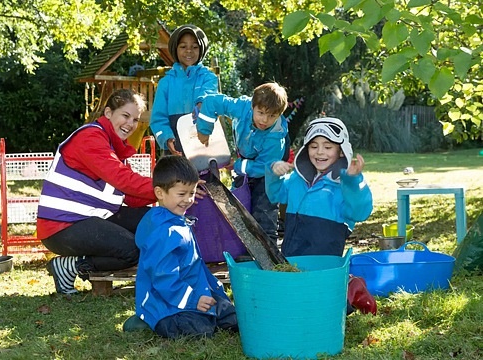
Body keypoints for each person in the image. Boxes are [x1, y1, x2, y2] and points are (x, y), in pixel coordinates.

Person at [36, 89, 158, 295]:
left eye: (135, 119)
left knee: (155, 219)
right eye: (125, 116)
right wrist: (167, 188)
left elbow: (130, 196)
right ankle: (71, 265)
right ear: (108, 113)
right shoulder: (91, 137)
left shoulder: (112, 145)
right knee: (131, 250)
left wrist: (170, 196)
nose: (130, 124)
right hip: (62, 226)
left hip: (88, 218)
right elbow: (123, 180)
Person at [265, 117, 377, 315]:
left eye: (328, 146)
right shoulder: (296, 180)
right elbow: (275, 194)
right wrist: (274, 174)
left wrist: (353, 181)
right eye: (314, 146)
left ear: (341, 150)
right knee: (294, 298)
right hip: (293, 251)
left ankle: (352, 289)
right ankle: (350, 284)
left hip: (324, 256)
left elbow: (361, 211)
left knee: (321, 303)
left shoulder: (344, 186)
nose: (320, 152)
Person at [131, 155, 238, 339]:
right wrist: (193, 300)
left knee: (234, 317)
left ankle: (207, 313)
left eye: (192, 192)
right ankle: (145, 319)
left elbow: (195, 266)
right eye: (182, 194)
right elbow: (164, 278)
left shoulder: (177, 220)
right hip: (166, 302)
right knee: (201, 330)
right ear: (160, 193)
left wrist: (211, 290)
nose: (188, 200)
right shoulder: (164, 232)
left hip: (194, 289)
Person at [195, 82, 289, 244]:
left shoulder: (275, 136)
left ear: (279, 114)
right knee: (241, 197)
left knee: (264, 201)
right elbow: (211, 101)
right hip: (246, 155)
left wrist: (238, 166)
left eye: (272, 116)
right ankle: (242, 244)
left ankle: (268, 245)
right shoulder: (241, 107)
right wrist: (204, 129)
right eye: (261, 113)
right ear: (252, 106)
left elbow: (264, 167)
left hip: (270, 164)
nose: (265, 120)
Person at [150, 24, 218, 155]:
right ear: (175, 50)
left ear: (201, 50)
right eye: (183, 47)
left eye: (194, 47)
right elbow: (158, 118)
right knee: (176, 176)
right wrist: (167, 138)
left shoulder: (209, 78)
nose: (189, 51)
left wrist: (201, 104)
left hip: (204, 145)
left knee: (203, 176)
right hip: (175, 150)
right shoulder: (165, 83)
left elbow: (209, 95)